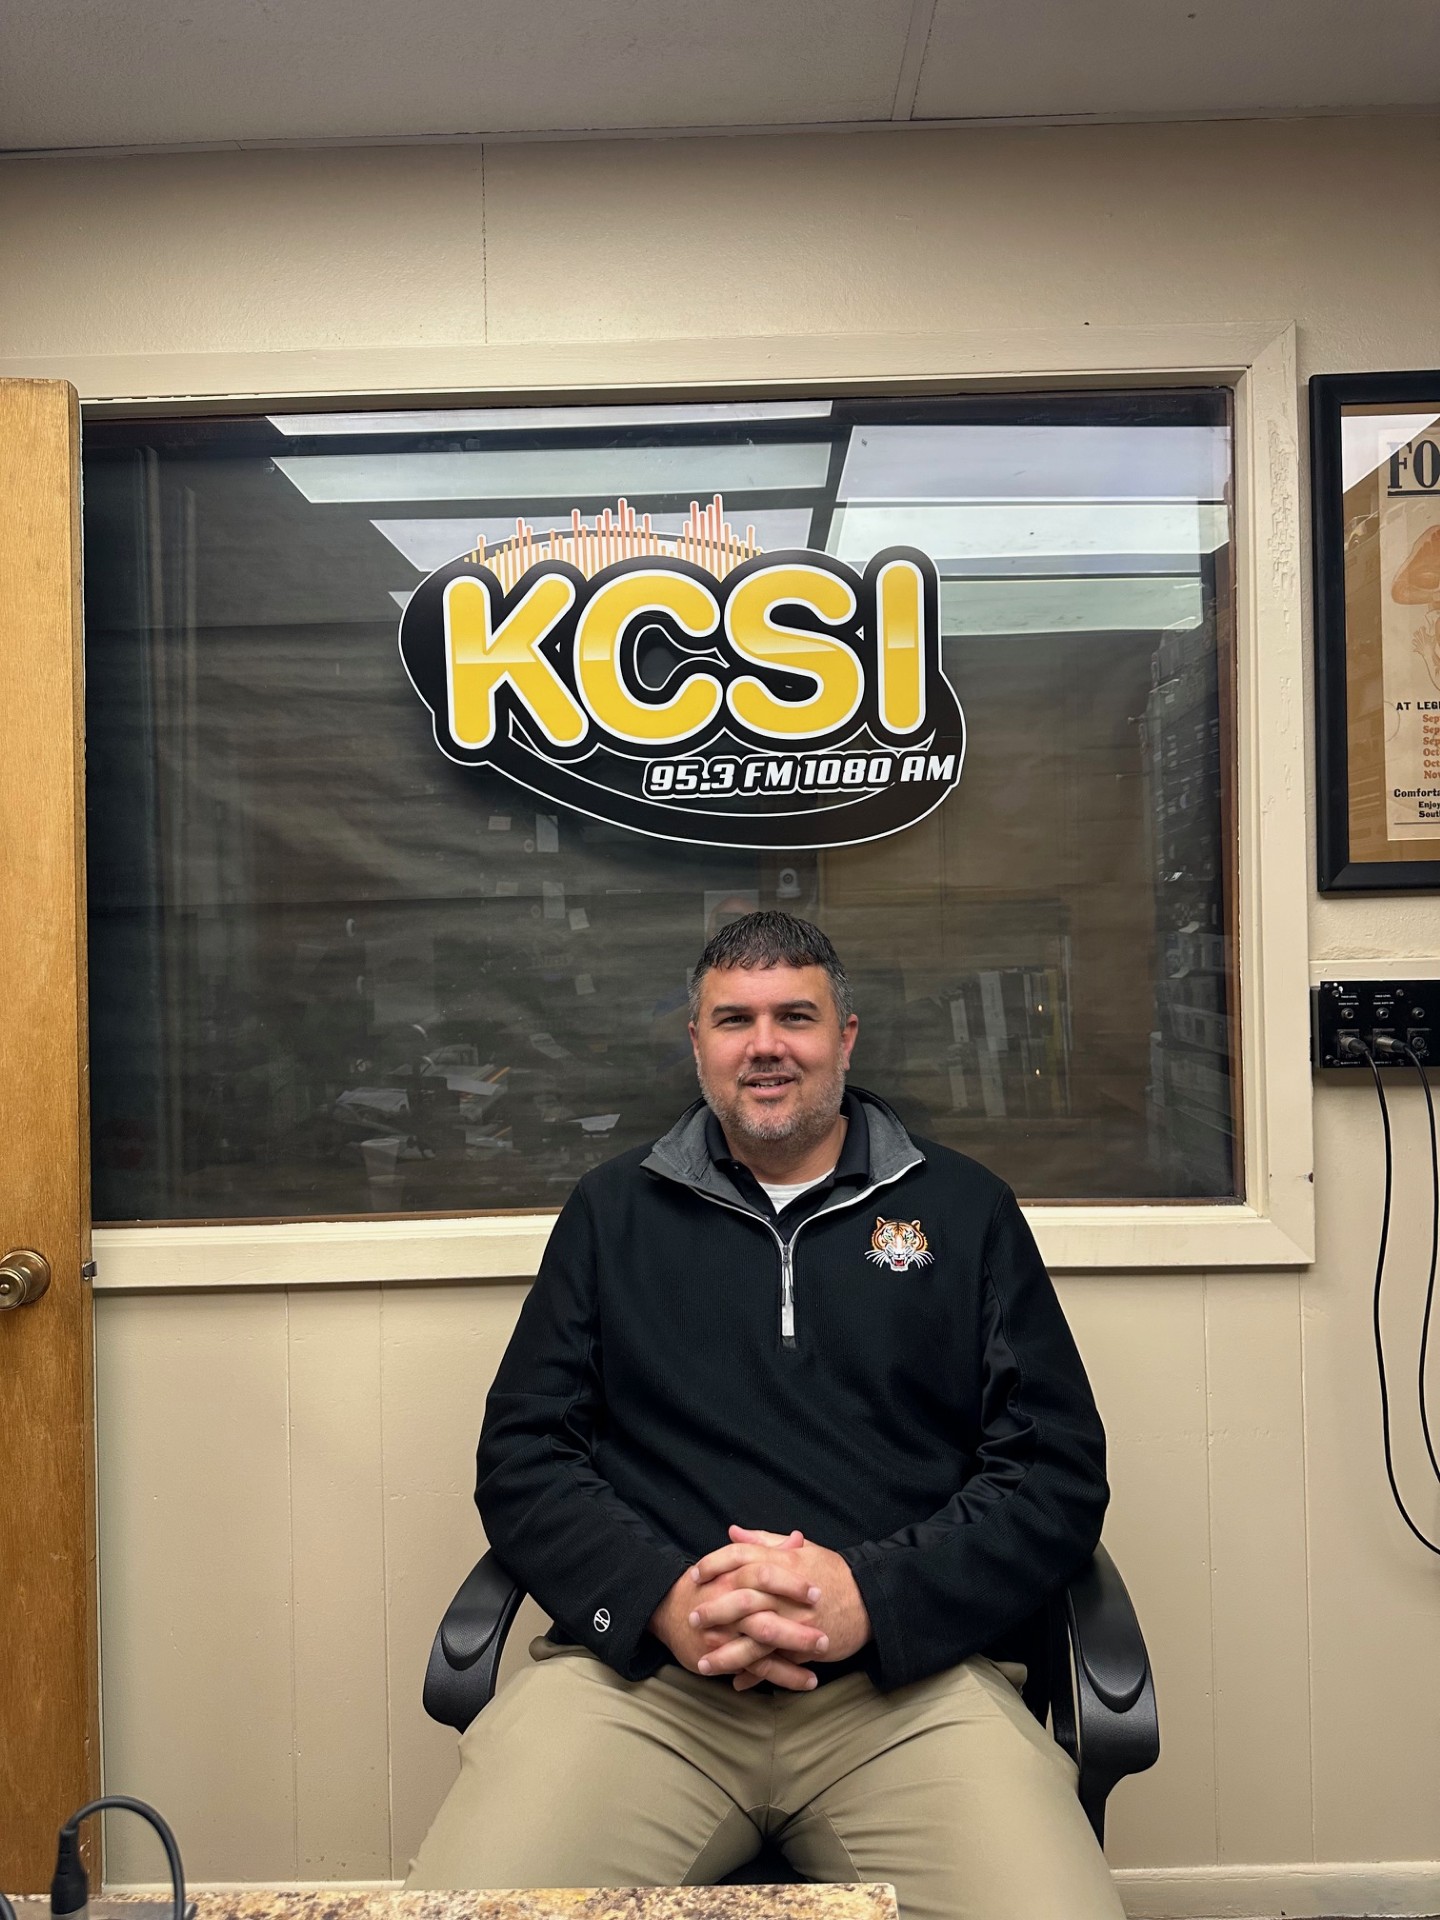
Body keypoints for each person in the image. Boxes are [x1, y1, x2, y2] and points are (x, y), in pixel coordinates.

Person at [408, 911, 1123, 1920]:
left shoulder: (965, 1212)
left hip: (905, 1692)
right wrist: (662, 1598)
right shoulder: (611, 1215)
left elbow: (1054, 1472)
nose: (766, 1046)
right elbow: (525, 1456)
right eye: (734, 1020)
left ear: (846, 1037)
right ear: (696, 1042)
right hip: (648, 1693)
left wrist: (871, 1596)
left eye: (796, 1016)